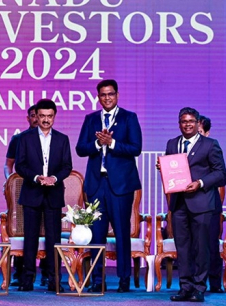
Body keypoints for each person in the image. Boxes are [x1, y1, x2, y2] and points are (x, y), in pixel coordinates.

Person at [75, 79, 142, 293]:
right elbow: (80, 148)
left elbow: (136, 148)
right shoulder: (91, 119)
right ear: (98, 97)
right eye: (103, 95)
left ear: (117, 95)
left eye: (110, 94)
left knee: (122, 232)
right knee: (97, 234)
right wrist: (97, 143)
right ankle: (97, 279)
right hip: (97, 185)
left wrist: (111, 143)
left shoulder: (129, 118)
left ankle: (124, 279)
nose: (107, 98)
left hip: (121, 185)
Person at [161, 107, 226, 302]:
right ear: (179, 123)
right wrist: (163, 168)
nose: (187, 124)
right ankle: (185, 287)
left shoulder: (210, 144)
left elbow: (221, 174)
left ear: (198, 124)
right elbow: (171, 171)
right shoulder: (172, 144)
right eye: (183, 121)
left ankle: (199, 288)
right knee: (182, 248)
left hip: (202, 204)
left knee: (201, 247)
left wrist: (200, 183)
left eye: (191, 121)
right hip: (179, 204)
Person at [15, 99, 72, 292]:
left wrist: (54, 178)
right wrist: (35, 177)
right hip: (32, 191)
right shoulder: (25, 138)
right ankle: (27, 279)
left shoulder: (62, 139)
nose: (46, 120)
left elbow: (67, 167)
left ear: (54, 116)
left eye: (49, 116)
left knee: (53, 239)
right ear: (36, 117)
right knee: (30, 238)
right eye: (42, 116)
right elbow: (20, 165)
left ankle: (54, 279)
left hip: (53, 193)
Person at [3, 104, 39, 286]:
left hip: (44, 190)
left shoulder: (54, 139)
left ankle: (47, 273)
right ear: (28, 118)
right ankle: (20, 271)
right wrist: (10, 181)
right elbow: (8, 164)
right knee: (22, 228)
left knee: (43, 229)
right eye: (32, 116)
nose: (36, 119)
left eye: (38, 115)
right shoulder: (19, 139)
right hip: (22, 189)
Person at [197, 115, 224, 293]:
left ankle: (215, 283)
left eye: (199, 132)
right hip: (188, 204)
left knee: (211, 244)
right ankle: (194, 283)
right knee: (193, 245)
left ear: (207, 132)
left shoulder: (212, 147)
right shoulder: (182, 149)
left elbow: (221, 175)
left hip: (209, 202)